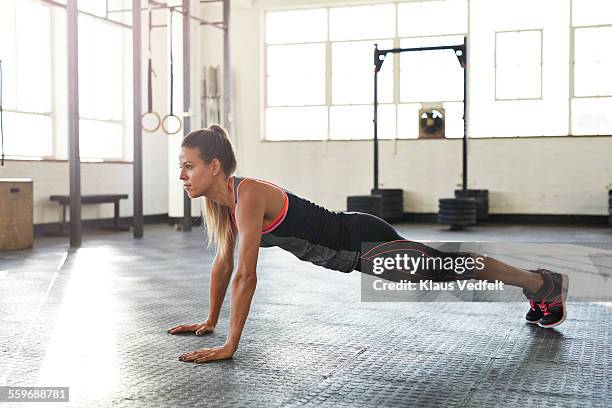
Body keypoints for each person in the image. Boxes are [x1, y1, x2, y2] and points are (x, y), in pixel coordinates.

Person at [168, 125, 569, 364]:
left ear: (213, 166)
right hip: (356, 256)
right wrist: (211, 322)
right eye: (180, 167)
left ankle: (540, 283)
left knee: (447, 270)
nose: (183, 176)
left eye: (189, 166)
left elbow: (246, 274)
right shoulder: (223, 207)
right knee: (445, 271)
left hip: (365, 243)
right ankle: (538, 284)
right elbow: (223, 265)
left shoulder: (249, 194)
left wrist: (230, 344)